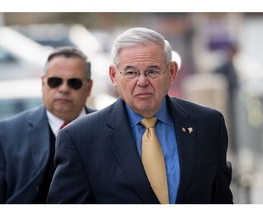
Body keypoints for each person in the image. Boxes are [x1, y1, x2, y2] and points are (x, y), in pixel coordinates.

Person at [47, 27, 233, 204]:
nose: (142, 81)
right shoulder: (80, 139)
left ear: (171, 72)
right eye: (131, 72)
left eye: (152, 71)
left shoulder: (208, 125)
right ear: (113, 76)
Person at [0, 46, 96, 204]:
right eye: (55, 81)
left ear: (89, 88)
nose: (64, 89)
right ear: (43, 83)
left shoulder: (112, 129)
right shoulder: (4, 134)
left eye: (74, 83)